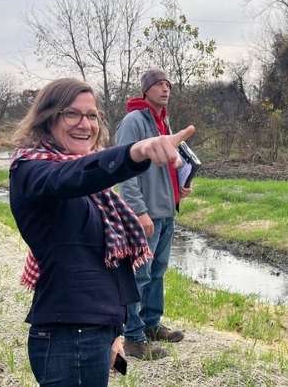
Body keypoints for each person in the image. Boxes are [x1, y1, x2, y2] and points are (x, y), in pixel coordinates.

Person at [9, 78, 194, 386]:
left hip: (93, 332)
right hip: (69, 338)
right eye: (72, 114)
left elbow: (107, 264)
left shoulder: (95, 188)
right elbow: (73, 177)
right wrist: (135, 152)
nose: (86, 124)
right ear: (47, 118)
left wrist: (116, 333)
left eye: (92, 115)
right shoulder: (32, 171)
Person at [116, 68, 191, 359]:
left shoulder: (163, 121)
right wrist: (139, 212)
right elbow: (126, 172)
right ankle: (133, 338)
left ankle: (151, 324)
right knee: (139, 274)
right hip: (145, 215)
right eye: (158, 84)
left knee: (157, 272)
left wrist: (180, 187)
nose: (165, 89)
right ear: (145, 90)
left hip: (166, 210)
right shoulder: (134, 121)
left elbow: (166, 164)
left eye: (168, 84)